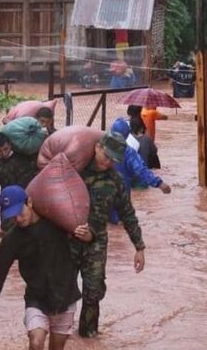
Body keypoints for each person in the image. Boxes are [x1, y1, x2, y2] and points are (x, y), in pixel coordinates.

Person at [0, 186, 93, 350]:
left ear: (30, 202)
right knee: (36, 341)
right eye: (13, 216)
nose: (18, 219)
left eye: (20, 212)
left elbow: (85, 236)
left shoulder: (57, 223)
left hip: (65, 296)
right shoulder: (12, 239)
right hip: (36, 299)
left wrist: (88, 235)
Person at [74, 132, 146, 338]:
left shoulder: (116, 181)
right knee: (62, 291)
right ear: (97, 147)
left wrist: (139, 247)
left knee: (93, 291)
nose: (109, 162)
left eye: (114, 159)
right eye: (107, 156)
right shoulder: (75, 170)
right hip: (67, 238)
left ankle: (88, 337)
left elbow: (128, 214)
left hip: (96, 242)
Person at [108, 119, 170, 224]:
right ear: (128, 134)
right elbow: (141, 170)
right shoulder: (128, 152)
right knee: (119, 225)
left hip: (100, 196)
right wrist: (159, 183)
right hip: (121, 196)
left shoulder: (99, 146)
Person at [0, 132, 39, 232]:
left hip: (25, 200)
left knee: (30, 228)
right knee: (7, 232)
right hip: (8, 202)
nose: (3, 153)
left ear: (10, 145)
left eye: (6, 149)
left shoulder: (23, 158)